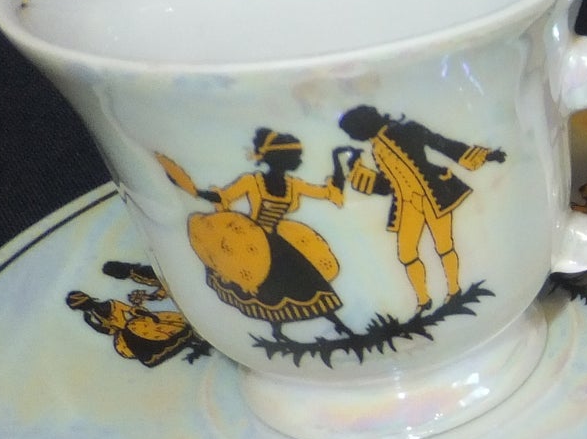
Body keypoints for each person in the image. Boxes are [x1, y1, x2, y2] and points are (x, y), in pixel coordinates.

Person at [184, 128, 353, 341]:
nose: (299, 160)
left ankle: (338, 325)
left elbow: (329, 192)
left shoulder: (293, 185)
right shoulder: (252, 181)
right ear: (281, 158)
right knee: (272, 290)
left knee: (308, 284)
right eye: (296, 156)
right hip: (252, 243)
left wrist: (336, 159)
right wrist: (195, 192)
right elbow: (223, 196)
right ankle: (278, 332)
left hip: (277, 242)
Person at [337, 105, 503, 310]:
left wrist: (486, 155)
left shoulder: (408, 130)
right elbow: (389, 184)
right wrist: (359, 174)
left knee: (444, 245)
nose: (353, 137)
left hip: (434, 194)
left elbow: (443, 145)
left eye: (352, 132)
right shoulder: (376, 148)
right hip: (407, 205)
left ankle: (454, 291)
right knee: (406, 253)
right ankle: (423, 301)